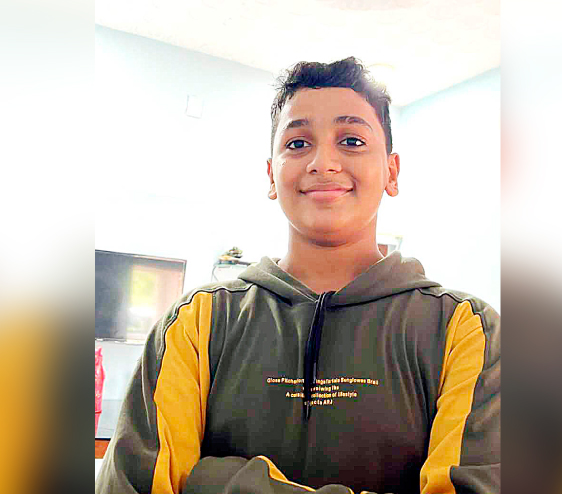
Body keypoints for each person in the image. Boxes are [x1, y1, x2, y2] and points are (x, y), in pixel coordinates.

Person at [96, 57, 500, 494]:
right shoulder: (195, 323)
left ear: (391, 172)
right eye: (297, 143)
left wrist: (219, 482)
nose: (323, 163)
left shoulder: (466, 330)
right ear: (272, 175)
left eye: (351, 140)